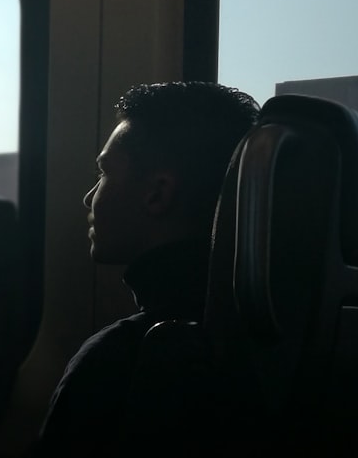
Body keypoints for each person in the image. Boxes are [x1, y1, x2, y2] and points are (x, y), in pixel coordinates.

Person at [32, 81, 259, 454]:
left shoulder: (119, 359)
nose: (90, 196)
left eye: (104, 173)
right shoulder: (255, 330)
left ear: (157, 193)